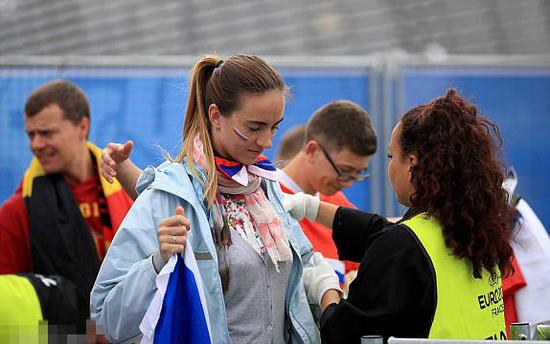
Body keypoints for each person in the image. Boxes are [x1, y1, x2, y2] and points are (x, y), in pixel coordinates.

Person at [91, 54, 337, 343]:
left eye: (275, 126)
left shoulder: (263, 187)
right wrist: (157, 263)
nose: (267, 142)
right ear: (215, 116)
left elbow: (303, 266)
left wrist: (329, 294)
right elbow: (107, 317)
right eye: (254, 127)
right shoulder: (169, 195)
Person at [284, 89, 515, 342]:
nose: (390, 166)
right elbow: (387, 233)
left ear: (413, 163)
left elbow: (342, 333)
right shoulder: (474, 231)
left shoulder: (404, 247)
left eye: (391, 155)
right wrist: (313, 208)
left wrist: (325, 288)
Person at [102, 100, 377, 288]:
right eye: (344, 171)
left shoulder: (335, 211)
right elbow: (171, 201)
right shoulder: (252, 193)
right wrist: (124, 167)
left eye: (274, 128)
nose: (266, 142)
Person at [0, 80, 133, 330]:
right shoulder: (16, 213)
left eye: (47, 133)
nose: (36, 144)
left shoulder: (127, 191)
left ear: (83, 126)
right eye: (31, 134)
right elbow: (8, 306)